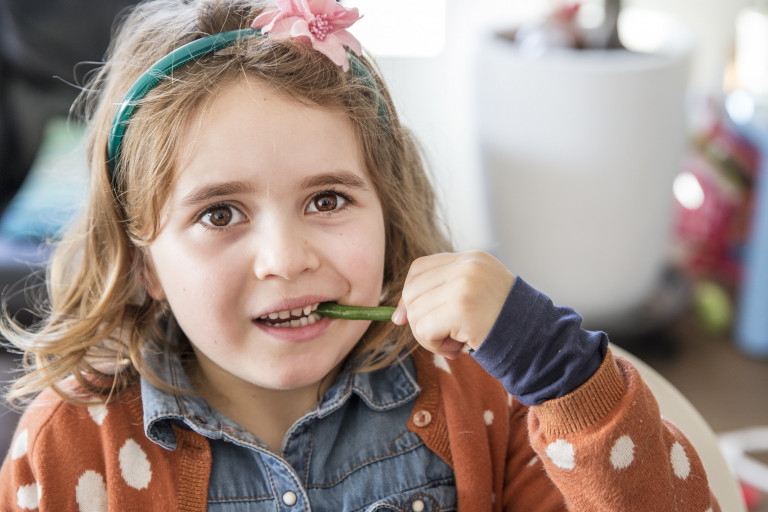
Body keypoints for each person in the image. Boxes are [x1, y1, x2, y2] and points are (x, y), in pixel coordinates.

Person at [0, 0, 720, 510]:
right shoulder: (70, 448)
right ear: (143, 263)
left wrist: (557, 373)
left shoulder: (483, 394)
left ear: (388, 207)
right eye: (220, 213)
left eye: (327, 200)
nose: (285, 259)